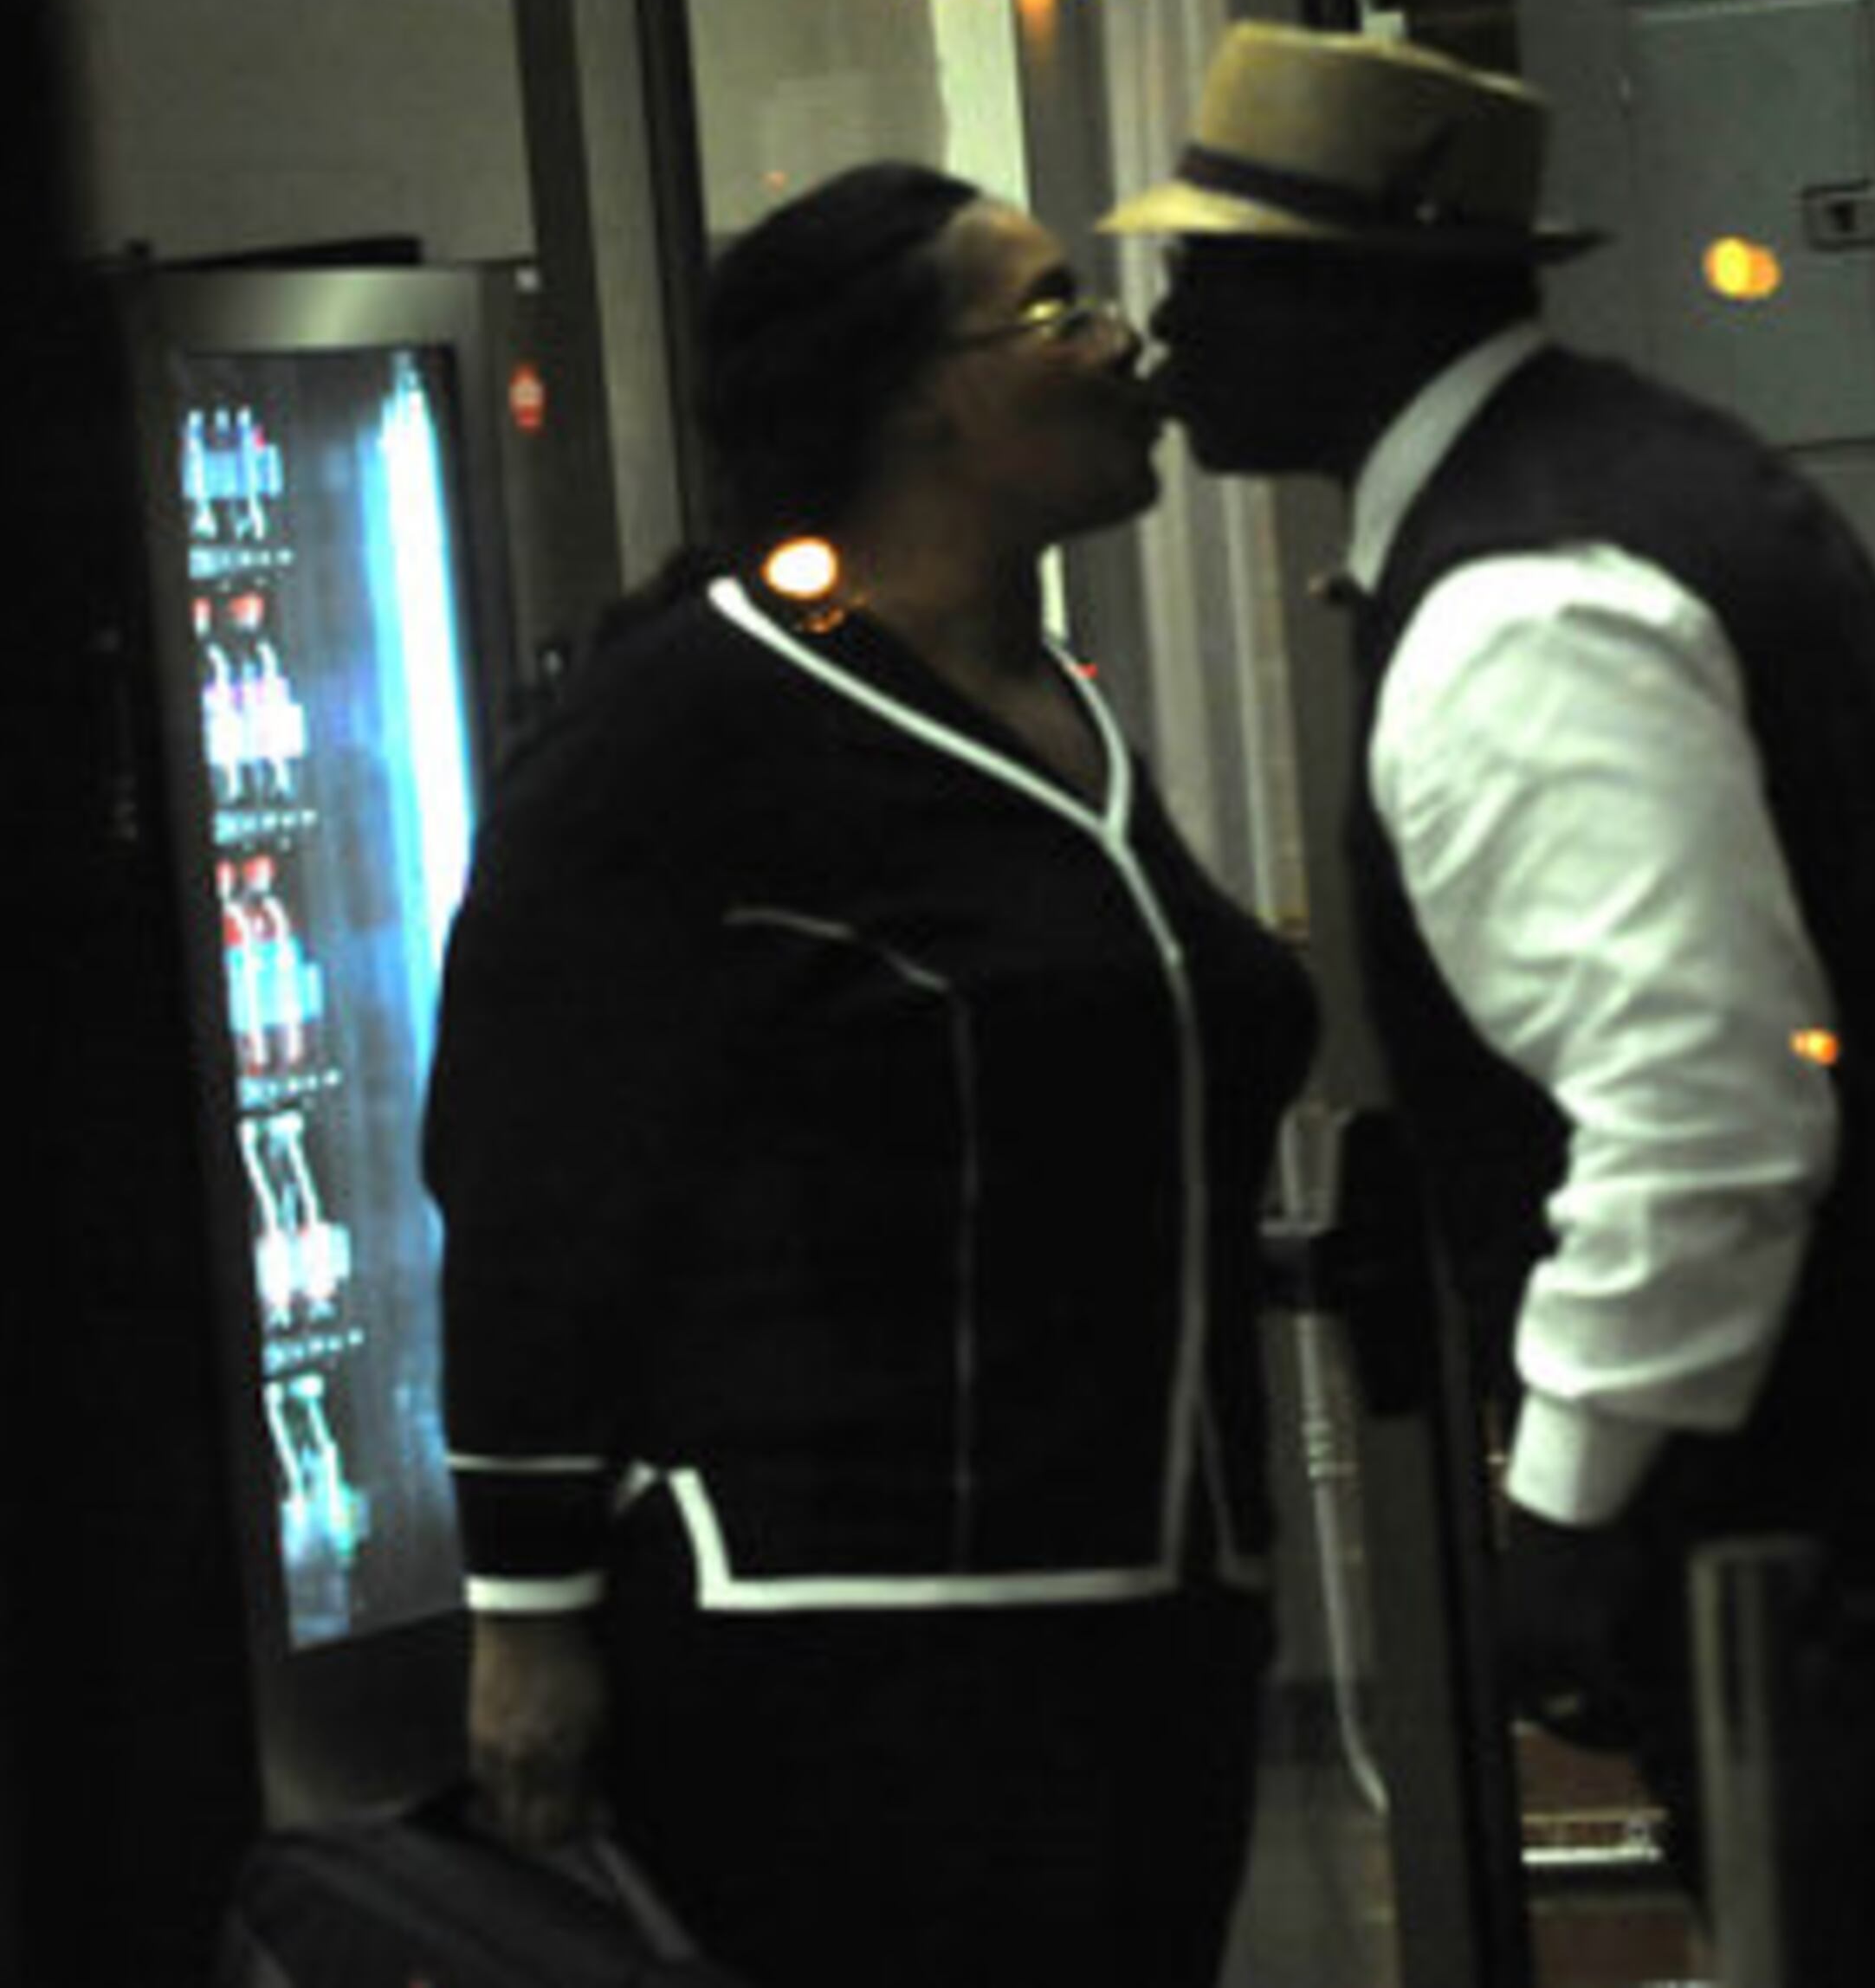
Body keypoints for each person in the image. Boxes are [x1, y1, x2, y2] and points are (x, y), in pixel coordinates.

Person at [1106, 23, 1875, 1982]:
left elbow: (1703, 1105)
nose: (1165, 332)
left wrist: (1567, 1496)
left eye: (1209, 270)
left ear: (1348, 299)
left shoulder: (1518, 607)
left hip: (1867, 1472)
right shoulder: (1627, 464)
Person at [423, 161, 1317, 1988]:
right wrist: (528, 1608)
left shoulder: (1054, 697)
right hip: (850, 1649)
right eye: (1060, 305)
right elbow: (531, 1176)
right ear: (918, 395)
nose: (1122, 336)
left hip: (1150, 1630)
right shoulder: (689, 720)